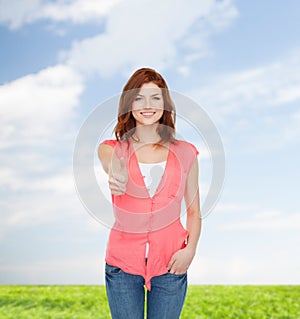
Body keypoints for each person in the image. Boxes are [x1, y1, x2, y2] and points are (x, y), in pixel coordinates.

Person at [97, 67, 201, 319]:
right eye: (139, 97)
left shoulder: (186, 152)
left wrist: (190, 250)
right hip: (122, 265)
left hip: (170, 264)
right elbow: (107, 156)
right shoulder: (114, 149)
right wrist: (117, 169)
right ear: (128, 103)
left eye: (155, 98)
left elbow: (194, 210)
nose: (147, 105)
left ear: (164, 104)